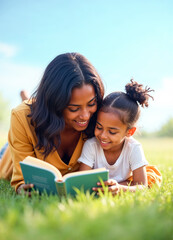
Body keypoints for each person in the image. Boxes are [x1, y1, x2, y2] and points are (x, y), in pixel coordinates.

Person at [0, 52, 104, 195]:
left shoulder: (101, 114)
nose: (85, 115)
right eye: (74, 108)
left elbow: (130, 155)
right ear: (54, 102)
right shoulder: (20, 116)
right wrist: (21, 188)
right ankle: (26, 99)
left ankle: (27, 98)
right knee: (25, 115)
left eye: (91, 104)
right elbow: (20, 180)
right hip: (7, 155)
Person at [78, 80, 162, 195]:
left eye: (112, 132)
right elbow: (80, 181)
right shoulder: (91, 145)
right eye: (99, 127)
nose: (103, 135)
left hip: (123, 186)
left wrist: (120, 188)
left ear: (130, 132)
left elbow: (142, 185)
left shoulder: (133, 148)